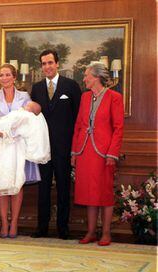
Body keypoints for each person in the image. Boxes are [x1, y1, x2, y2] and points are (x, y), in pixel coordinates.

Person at [0, 64, 42, 238]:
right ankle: (4, 223)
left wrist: (16, 132)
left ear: (14, 77)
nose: (4, 78)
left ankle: (14, 222)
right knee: (2, 185)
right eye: (1, 75)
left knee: (16, 183)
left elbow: (31, 118)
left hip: (17, 145)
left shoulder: (24, 97)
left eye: (8, 75)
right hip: (0, 144)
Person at [30, 49, 81, 239]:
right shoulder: (36, 88)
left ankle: (63, 228)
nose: (47, 67)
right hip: (42, 147)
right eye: (43, 63)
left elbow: (78, 118)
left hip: (63, 147)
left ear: (57, 64)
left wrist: (75, 147)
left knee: (63, 187)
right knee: (42, 188)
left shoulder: (71, 86)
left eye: (50, 62)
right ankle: (41, 227)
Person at [71, 62, 124, 246]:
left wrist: (112, 153)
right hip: (85, 152)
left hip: (104, 153)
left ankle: (106, 233)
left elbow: (118, 128)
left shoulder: (114, 97)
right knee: (89, 193)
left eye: (86, 75)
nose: (84, 79)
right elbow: (79, 125)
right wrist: (75, 152)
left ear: (96, 77)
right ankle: (91, 232)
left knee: (105, 193)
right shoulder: (85, 97)